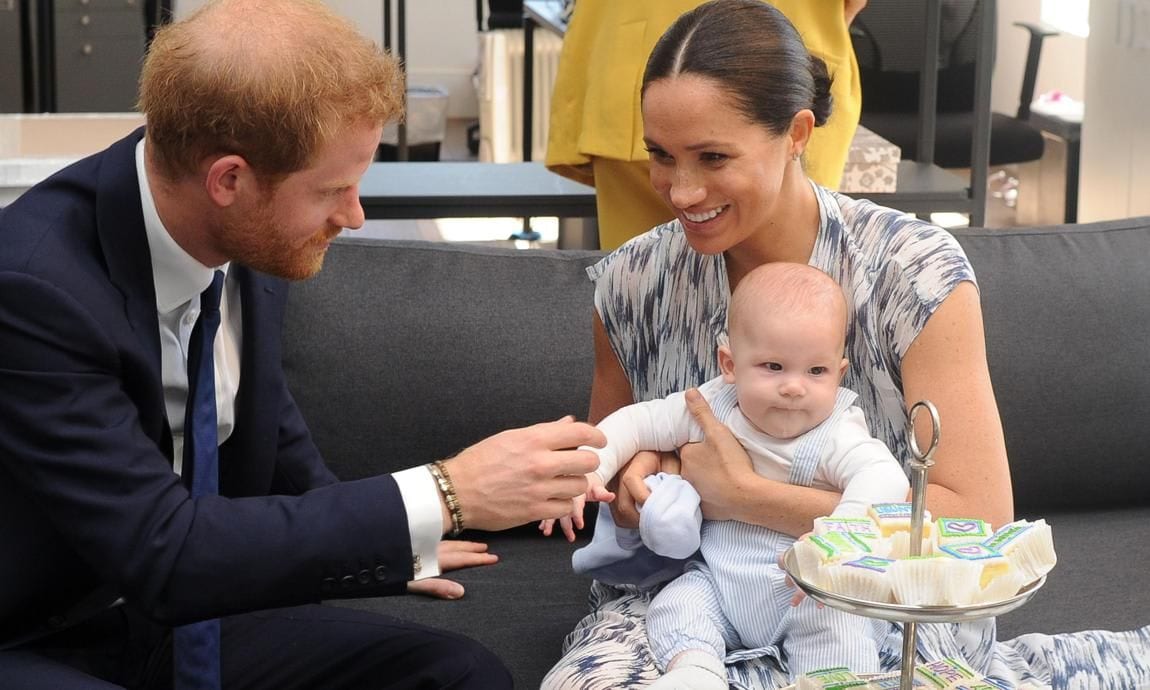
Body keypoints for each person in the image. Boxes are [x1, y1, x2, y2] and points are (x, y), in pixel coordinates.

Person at [541, 1, 1150, 688]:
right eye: (660, 155)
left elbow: (977, 518)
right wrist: (635, 480)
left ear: (797, 133)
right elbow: (607, 463)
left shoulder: (912, 270)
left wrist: (741, 494)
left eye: (714, 157)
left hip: (880, 603)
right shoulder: (632, 281)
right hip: (685, 602)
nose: (680, 190)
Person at [0, 1, 605, 688]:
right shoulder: (33, 289)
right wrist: (446, 492)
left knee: (456, 675)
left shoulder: (243, 238)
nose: (353, 217)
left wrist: (392, 543)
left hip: (170, 617)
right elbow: (163, 552)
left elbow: (265, 419)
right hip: (42, 630)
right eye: (333, 191)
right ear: (229, 180)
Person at [542, 262, 909, 688]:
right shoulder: (711, 405)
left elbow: (884, 475)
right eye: (773, 366)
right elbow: (636, 423)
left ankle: (828, 681)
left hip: (806, 590)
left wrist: (839, 536)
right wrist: (590, 468)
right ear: (729, 364)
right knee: (678, 604)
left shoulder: (837, 431)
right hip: (719, 582)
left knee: (840, 627)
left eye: (816, 371)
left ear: (839, 373)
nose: (795, 387)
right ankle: (696, 672)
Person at [545, 0, 868, 250]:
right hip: (783, 54)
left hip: (629, 49)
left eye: (714, 157)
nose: (686, 194)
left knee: (648, 294)